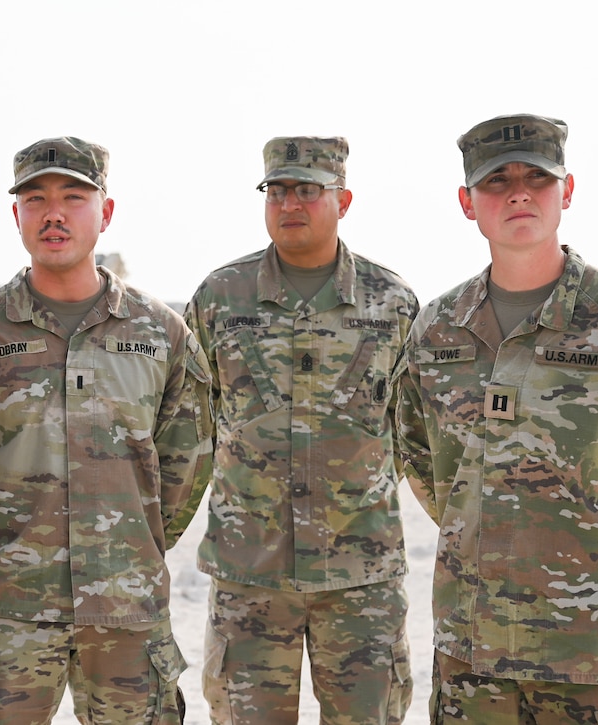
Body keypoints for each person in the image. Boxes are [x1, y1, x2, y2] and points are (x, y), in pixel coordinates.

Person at [0, 136, 214, 724]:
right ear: (16, 215)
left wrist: (130, 541)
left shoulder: (162, 336)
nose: (54, 213)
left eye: (74, 197)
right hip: (9, 615)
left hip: (127, 613)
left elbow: (187, 461)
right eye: (36, 199)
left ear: (106, 212)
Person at [396, 113, 598, 723]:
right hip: (473, 653)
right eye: (496, 181)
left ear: (568, 192)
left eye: (537, 177)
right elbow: (423, 462)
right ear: (467, 203)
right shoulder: (437, 328)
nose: (519, 192)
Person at [185, 136, 418, 724]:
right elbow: (188, 422)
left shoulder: (391, 302)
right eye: (277, 190)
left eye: (308, 190)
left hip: (360, 579)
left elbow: (419, 438)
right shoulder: (220, 298)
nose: (290, 203)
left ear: (343, 199)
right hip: (251, 576)